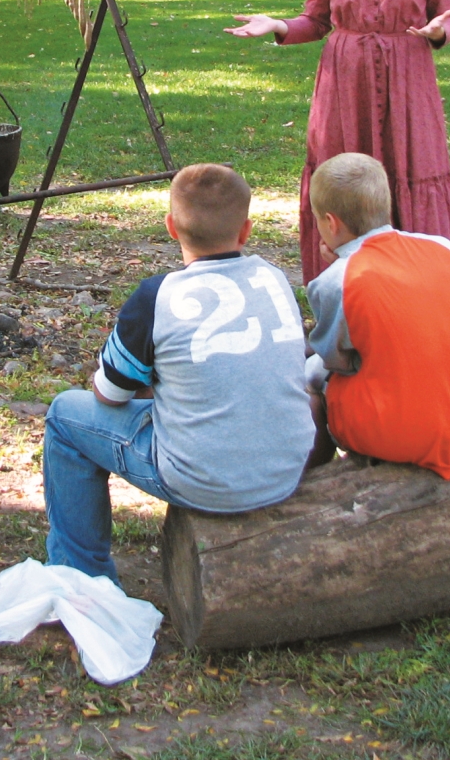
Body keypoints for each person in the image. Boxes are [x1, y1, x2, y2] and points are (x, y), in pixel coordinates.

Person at [41, 164, 313, 583]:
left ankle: (80, 574)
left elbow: (109, 395)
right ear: (246, 231)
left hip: (201, 480)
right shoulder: (274, 279)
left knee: (63, 415)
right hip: (286, 470)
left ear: (171, 227)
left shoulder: (156, 297)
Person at [224, 0, 450, 282]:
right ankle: (343, 282)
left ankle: (420, 280)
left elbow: (448, 15)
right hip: (345, 80)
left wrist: (438, 31)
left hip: (408, 77)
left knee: (409, 167)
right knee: (343, 174)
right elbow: (315, 20)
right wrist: (277, 24)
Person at [303, 153, 450, 478]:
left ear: (331, 223)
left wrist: (338, 264)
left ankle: (311, 481)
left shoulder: (337, 280)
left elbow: (337, 360)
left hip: (393, 434)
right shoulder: (449, 251)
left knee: (308, 375)